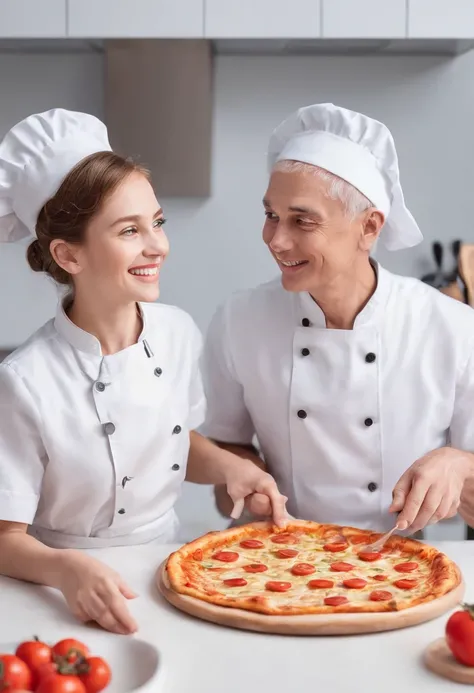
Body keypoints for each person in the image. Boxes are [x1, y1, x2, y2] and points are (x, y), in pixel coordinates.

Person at [0, 109, 287, 635]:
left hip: (169, 571)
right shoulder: (24, 380)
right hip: (55, 591)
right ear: (68, 254)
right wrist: (65, 569)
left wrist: (230, 468)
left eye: (156, 222)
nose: (158, 246)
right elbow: (5, 538)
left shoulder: (176, 333)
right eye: (129, 230)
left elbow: (173, 440)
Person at [204, 102, 474, 537]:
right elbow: (226, 452)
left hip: (400, 567)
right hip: (283, 562)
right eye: (271, 215)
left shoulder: (452, 329)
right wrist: (244, 478)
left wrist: (459, 465)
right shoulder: (240, 321)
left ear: (369, 227)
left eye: (302, 221)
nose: (276, 239)